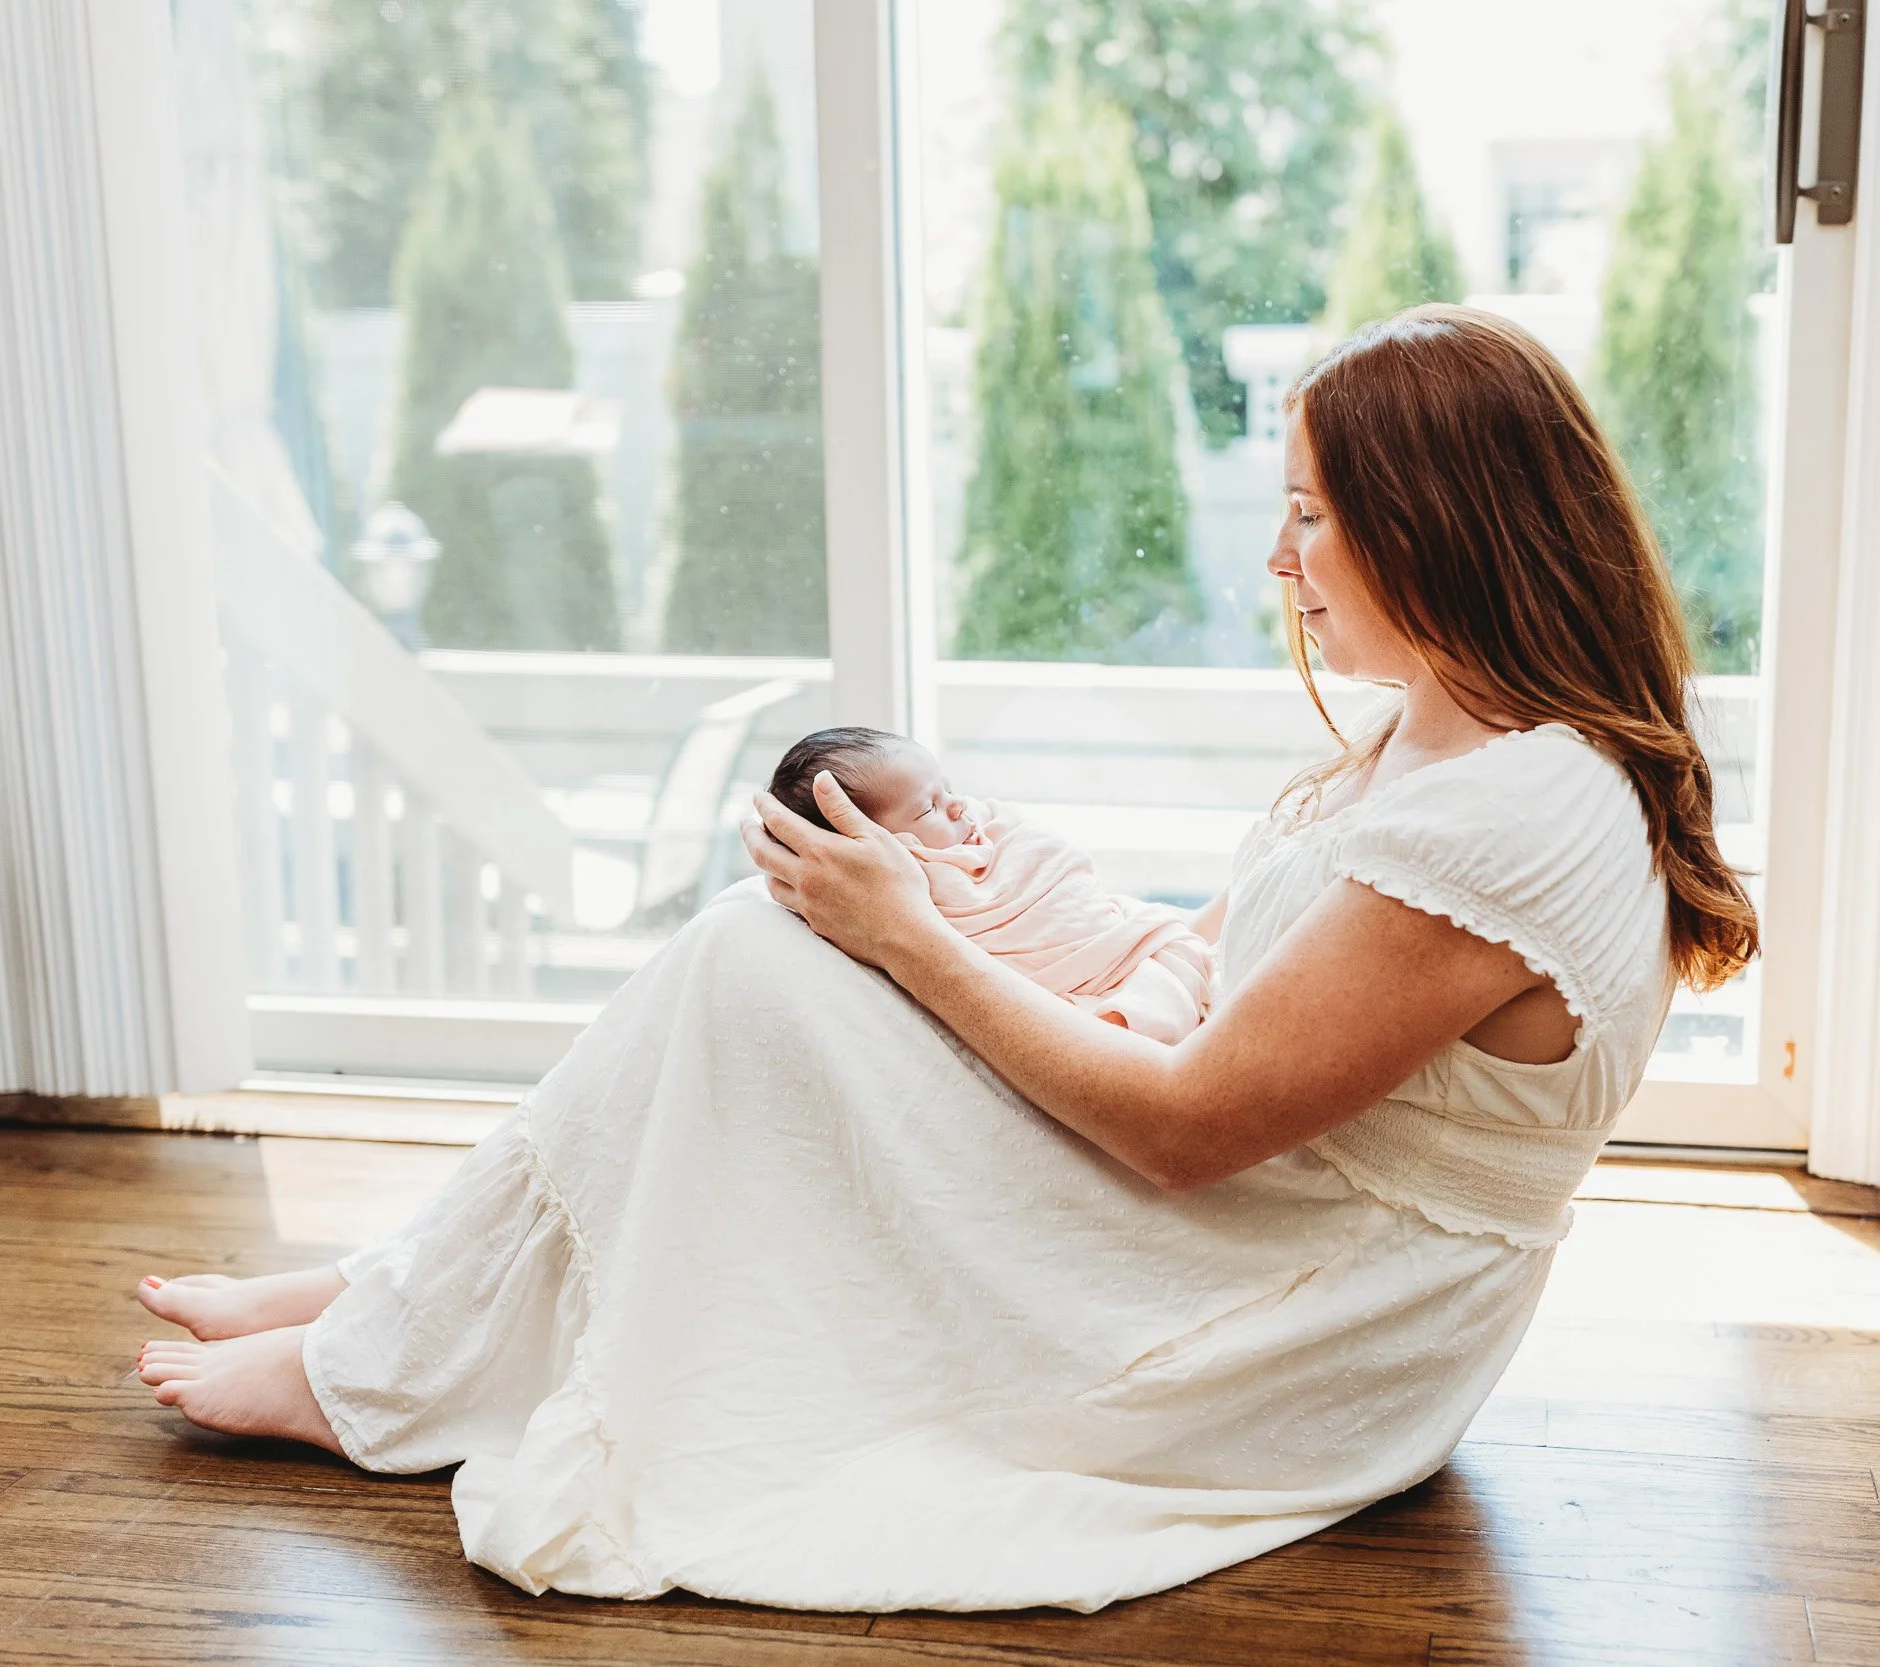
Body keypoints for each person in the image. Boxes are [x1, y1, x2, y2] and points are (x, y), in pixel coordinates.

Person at [131, 305, 1757, 1614]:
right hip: (1275, 1229)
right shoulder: (1450, 735)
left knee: (753, 971)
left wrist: (910, 937)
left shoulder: (1512, 820)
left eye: (1310, 518)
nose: (1278, 564)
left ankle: (374, 1355)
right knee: (764, 964)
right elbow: (1219, 951)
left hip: (1288, 1310)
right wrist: (997, 923)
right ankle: (389, 1305)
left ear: (1436, 528)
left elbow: (1190, 1130)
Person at [766, 725, 1214, 1042]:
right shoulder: (922, 880)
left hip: (1108, 939)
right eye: (927, 810)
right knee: (1154, 1001)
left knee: (1163, 971)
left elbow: (1046, 863)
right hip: (1079, 985)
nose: (959, 806)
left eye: (948, 788)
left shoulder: (986, 826)